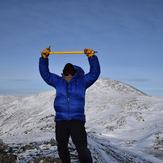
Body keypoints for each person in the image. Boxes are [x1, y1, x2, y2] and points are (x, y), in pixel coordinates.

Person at [39, 47, 100, 163]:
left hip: (77, 120)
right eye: (66, 73)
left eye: (70, 73)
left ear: (74, 73)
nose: (68, 75)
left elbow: (94, 73)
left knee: (82, 148)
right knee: (62, 147)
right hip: (61, 120)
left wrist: (91, 57)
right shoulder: (58, 81)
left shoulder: (82, 81)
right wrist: (44, 58)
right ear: (63, 73)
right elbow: (45, 74)